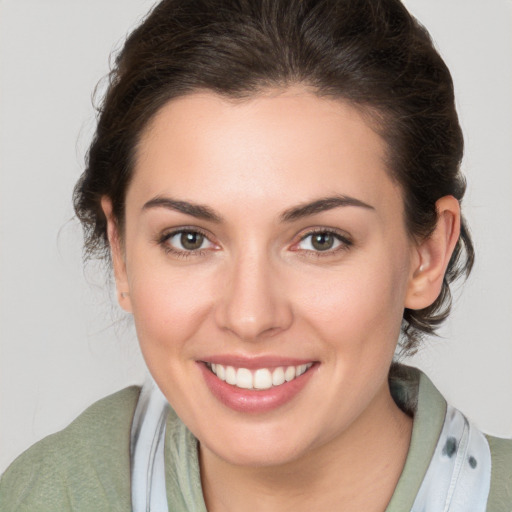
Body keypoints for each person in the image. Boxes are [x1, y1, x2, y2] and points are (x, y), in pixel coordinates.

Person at [0, 0, 510, 510]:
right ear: (121, 252)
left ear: (427, 255)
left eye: (321, 240)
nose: (249, 317)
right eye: (189, 239)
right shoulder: (49, 495)